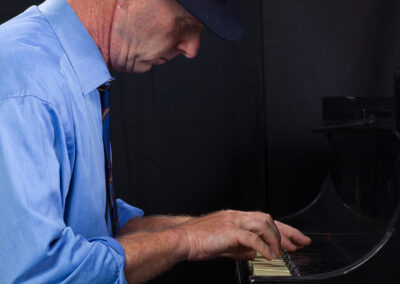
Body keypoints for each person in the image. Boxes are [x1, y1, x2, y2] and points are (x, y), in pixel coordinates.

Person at [0, 0, 311, 283]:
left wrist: (219, 227)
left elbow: (95, 227)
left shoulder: (65, 70)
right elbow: (40, 273)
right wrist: (188, 239)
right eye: (184, 23)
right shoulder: (24, 79)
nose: (192, 48)